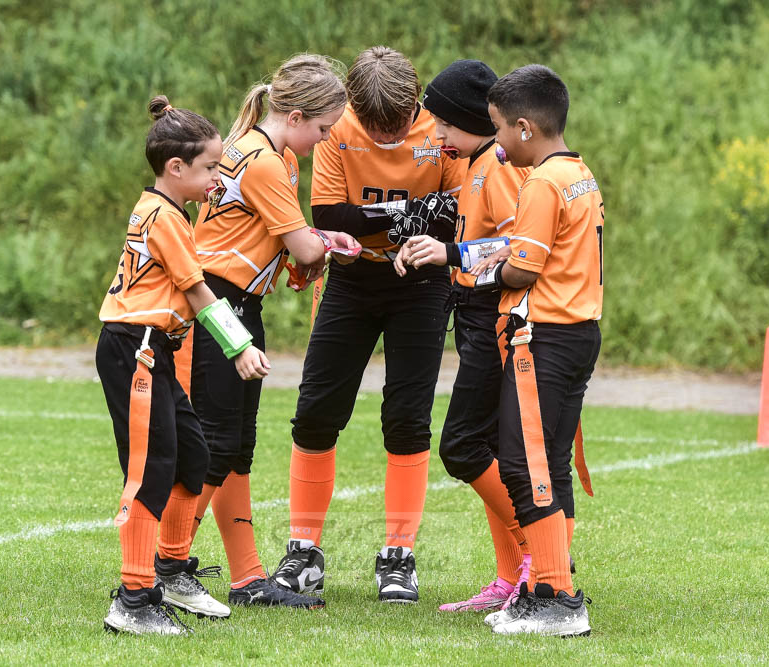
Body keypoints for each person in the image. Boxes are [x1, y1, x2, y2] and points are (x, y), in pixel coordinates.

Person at [270, 46, 466, 604]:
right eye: (374, 127)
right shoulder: (336, 126)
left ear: (415, 104)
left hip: (423, 282)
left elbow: (454, 216)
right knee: (315, 412)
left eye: (395, 126)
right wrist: (415, 213)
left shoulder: (442, 129)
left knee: (407, 419)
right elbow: (331, 217)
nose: (385, 136)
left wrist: (380, 220)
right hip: (352, 280)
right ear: (354, 108)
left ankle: (398, 556)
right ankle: (304, 551)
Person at [176, 54, 360, 609]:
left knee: (237, 447)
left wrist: (314, 247)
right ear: (296, 116)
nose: (323, 142)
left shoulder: (266, 152)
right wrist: (330, 246)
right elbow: (302, 246)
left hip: (237, 302)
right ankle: (165, 564)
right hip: (217, 302)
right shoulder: (263, 161)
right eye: (322, 130)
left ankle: (247, 578)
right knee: (218, 443)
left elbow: (288, 243)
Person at [98, 96, 270, 634]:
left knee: (194, 454)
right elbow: (198, 292)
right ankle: (134, 599)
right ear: (176, 168)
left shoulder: (170, 210)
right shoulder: (165, 217)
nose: (219, 178)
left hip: (156, 350)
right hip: (137, 350)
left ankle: (171, 571)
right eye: (211, 168)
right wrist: (240, 346)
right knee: (151, 472)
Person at [391, 59, 533, 613]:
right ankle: (510, 575)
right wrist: (432, 249)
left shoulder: (500, 165)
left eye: (446, 123)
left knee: (463, 446)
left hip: (496, 317)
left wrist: (450, 253)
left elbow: (521, 246)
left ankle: (540, 554)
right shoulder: (474, 162)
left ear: (476, 119)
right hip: (473, 312)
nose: (438, 133)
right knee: (487, 448)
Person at [475, 64, 603, 637]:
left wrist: (483, 271)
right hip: (577, 332)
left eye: (499, 128)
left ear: (525, 127)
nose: (497, 141)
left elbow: (524, 270)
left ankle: (556, 597)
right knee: (548, 462)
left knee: (526, 465)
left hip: (543, 338)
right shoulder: (579, 173)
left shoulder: (543, 182)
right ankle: (545, 587)